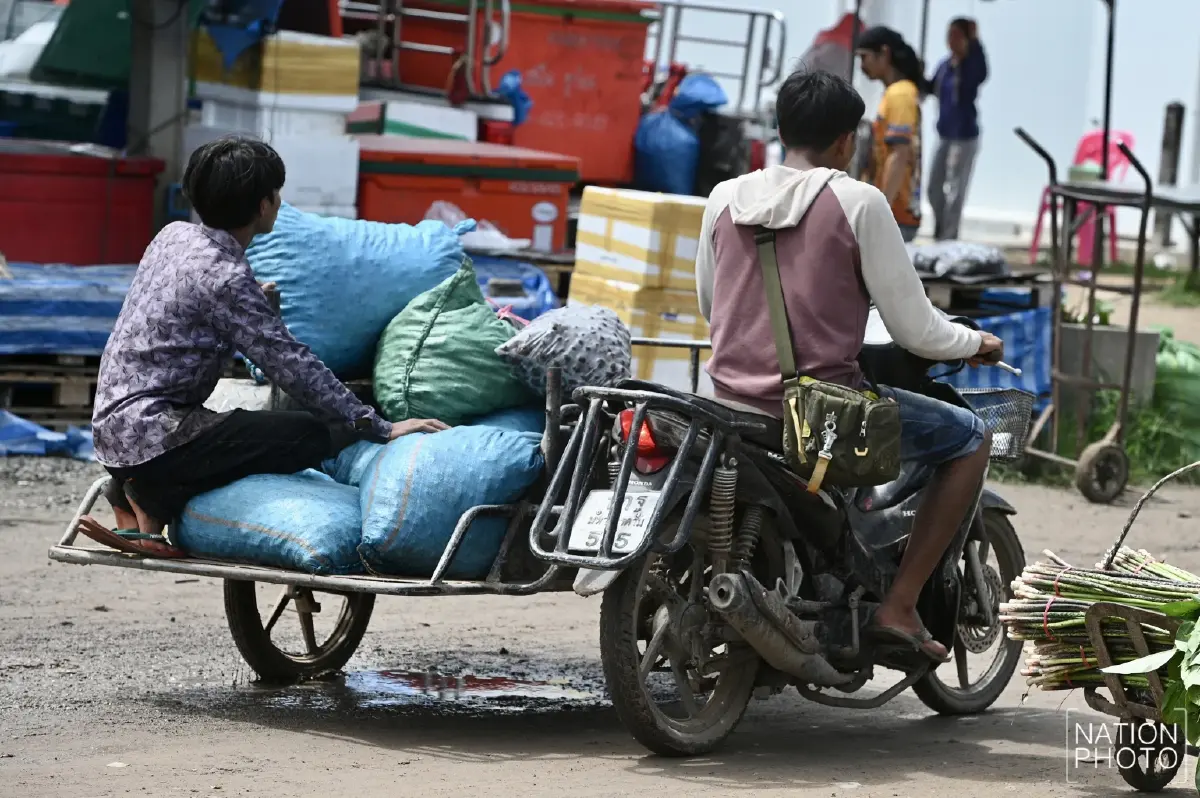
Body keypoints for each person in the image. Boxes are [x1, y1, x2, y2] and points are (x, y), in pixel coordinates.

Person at [693, 69, 1003, 663]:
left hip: (727, 402)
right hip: (823, 416)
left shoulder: (723, 198)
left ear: (781, 130)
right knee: (968, 439)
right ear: (847, 140)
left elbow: (713, 306)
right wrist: (974, 340)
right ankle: (900, 605)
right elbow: (916, 329)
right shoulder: (858, 202)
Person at [88, 135, 446, 552]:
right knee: (308, 433)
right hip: (155, 438)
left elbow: (190, 307)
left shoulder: (173, 237)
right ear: (263, 206)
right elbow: (291, 365)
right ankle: (152, 492)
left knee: (250, 428)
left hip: (111, 427)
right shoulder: (225, 278)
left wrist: (252, 300)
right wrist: (375, 425)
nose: (278, 202)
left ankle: (130, 490)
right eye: (275, 194)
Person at [856, 26, 930, 242]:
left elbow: (899, 154)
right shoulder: (894, 93)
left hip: (896, 217)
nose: (861, 66)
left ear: (884, 53)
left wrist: (882, 210)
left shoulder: (900, 94)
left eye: (864, 57)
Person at [928, 18, 988, 241]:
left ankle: (948, 237)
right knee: (934, 187)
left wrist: (975, 44)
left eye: (956, 35)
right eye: (949, 35)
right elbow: (931, 88)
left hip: (964, 137)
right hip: (944, 134)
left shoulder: (971, 65)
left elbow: (980, 75)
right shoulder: (945, 66)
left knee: (955, 190)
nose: (951, 40)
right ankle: (940, 229)